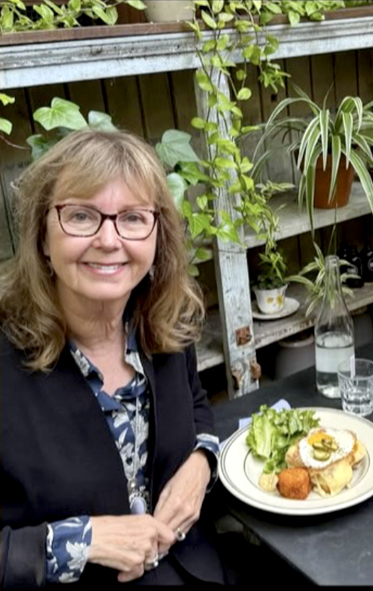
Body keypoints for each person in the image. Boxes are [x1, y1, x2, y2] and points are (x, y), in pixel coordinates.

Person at [0, 129, 226, 586]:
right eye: (82, 216)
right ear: (42, 238)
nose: (109, 239)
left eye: (132, 218)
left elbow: (198, 405)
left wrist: (202, 463)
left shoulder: (161, 321)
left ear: (156, 235)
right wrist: (87, 541)